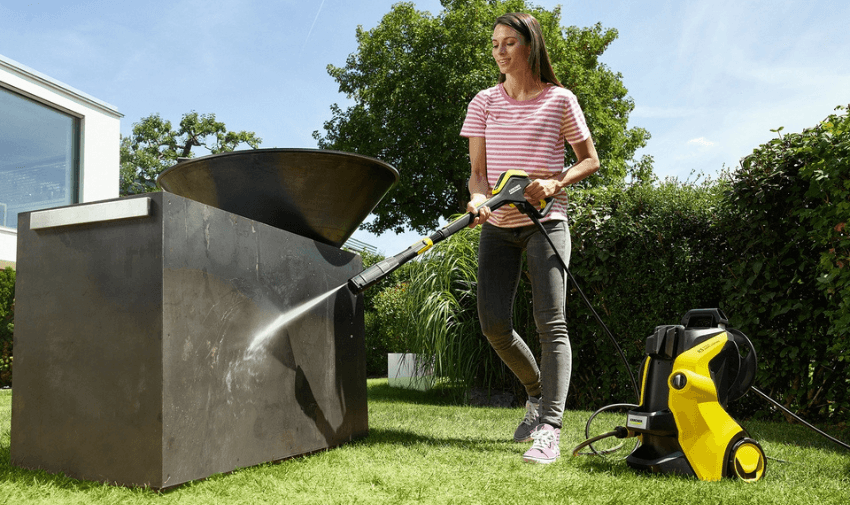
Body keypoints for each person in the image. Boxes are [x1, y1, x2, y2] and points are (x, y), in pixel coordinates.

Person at [460, 12, 600, 464]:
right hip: (499, 227)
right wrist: (478, 200)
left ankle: (551, 428)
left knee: (550, 322)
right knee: (493, 324)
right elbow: (478, 173)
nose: (499, 51)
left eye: (508, 43)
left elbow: (589, 160)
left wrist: (557, 182)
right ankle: (537, 391)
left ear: (530, 45)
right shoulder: (484, 101)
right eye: (495, 44)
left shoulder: (560, 100)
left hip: (546, 223)